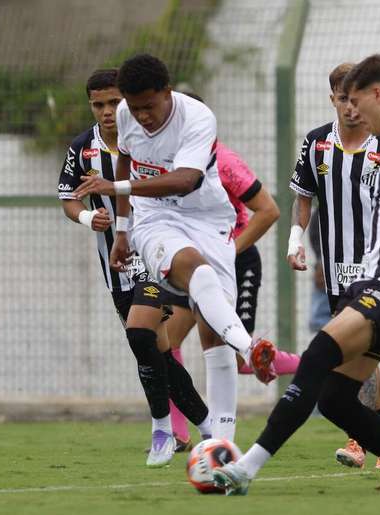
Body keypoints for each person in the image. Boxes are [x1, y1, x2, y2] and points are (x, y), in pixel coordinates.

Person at [213, 54, 380, 495]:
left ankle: (245, 468)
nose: (353, 114)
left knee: (317, 357)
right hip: (373, 281)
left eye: (357, 103)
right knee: (334, 398)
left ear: (377, 93)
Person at [74, 54, 276, 447]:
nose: (141, 116)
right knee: (190, 268)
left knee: (214, 336)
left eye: (149, 106)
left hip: (208, 219)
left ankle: (222, 449)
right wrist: (122, 230)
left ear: (168, 93)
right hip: (154, 219)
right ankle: (249, 348)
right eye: (134, 108)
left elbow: (184, 181)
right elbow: (125, 164)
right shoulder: (128, 115)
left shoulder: (199, 118)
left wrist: (114, 190)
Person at [58, 69, 212, 467]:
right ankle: (209, 427)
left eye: (114, 102)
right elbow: (68, 198)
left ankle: (162, 427)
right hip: (115, 262)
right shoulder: (83, 149)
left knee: (142, 334)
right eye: (99, 105)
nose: (108, 112)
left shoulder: (149, 138)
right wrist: (86, 219)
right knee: (153, 349)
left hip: (154, 251)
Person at [165, 93, 301, 450]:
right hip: (187, 263)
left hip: (232, 262)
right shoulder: (164, 158)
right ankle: (178, 435)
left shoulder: (223, 160)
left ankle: (311, 365)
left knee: (236, 356)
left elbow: (269, 210)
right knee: (164, 343)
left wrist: (226, 252)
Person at [286, 63, 380, 470]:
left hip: (376, 264)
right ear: (333, 98)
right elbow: (304, 198)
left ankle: (362, 439)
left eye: (357, 98)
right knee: (361, 356)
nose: (351, 107)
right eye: (343, 99)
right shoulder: (316, 144)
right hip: (335, 267)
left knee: (356, 352)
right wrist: (296, 242)